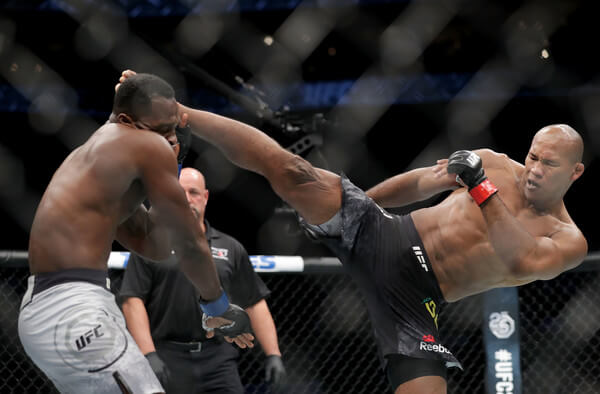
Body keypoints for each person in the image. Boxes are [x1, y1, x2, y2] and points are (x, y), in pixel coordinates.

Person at [118, 71, 588, 394]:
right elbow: (424, 182)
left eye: (549, 163)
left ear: (576, 173)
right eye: (533, 155)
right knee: (293, 168)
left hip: (420, 301)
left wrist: (482, 188)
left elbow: (522, 259)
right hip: (392, 235)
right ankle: (180, 113)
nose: (534, 168)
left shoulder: (568, 239)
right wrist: (362, 203)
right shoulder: (499, 164)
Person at [18, 73, 253, 394]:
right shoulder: (140, 143)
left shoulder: (95, 163)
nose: (170, 139)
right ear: (128, 119)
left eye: (175, 129)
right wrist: (217, 306)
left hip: (51, 314)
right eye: (161, 130)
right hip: (75, 310)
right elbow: (189, 242)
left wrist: (175, 164)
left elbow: (153, 244)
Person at [119, 167, 286, 393]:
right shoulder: (151, 246)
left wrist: (273, 353)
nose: (187, 199)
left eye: (194, 192)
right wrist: (149, 354)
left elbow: (253, 301)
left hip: (218, 356)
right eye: (180, 192)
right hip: (167, 354)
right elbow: (132, 300)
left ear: (205, 197)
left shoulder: (230, 247)